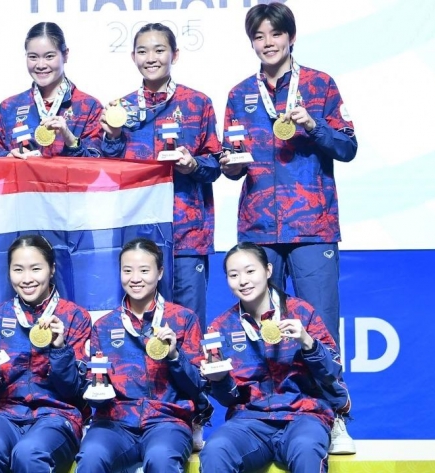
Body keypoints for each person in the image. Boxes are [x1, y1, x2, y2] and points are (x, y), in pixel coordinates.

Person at [219, 3, 358, 351]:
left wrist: (313, 125)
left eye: (276, 34)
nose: (268, 43)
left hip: (312, 226)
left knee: (321, 327)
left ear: (291, 37)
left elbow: (347, 147)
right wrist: (230, 166)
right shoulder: (239, 94)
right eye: (259, 36)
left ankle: (329, 390)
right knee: (262, 329)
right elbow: (232, 160)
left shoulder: (320, 84)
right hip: (259, 229)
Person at [100, 23, 223, 329]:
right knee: (137, 326)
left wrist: (192, 165)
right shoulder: (120, 109)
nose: (151, 58)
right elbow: (108, 172)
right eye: (143, 51)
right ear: (133, 57)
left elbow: (215, 164)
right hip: (138, 234)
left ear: (175, 55)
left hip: (187, 235)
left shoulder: (198, 103)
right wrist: (112, 136)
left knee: (189, 325)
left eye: (159, 50)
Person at [199, 242, 353, 473]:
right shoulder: (221, 327)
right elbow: (229, 400)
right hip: (249, 421)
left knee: (307, 448)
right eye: (234, 275)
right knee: (215, 450)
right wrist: (219, 379)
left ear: (268, 270)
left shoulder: (301, 312)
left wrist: (308, 342)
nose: (243, 281)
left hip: (304, 416)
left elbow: (332, 373)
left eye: (250, 271)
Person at [76, 238, 205, 473]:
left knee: (161, 459)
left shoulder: (184, 320)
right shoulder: (104, 326)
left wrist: (174, 356)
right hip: (114, 423)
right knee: (91, 457)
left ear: (160, 272)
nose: (135, 278)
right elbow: (93, 386)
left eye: (144, 270)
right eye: (127, 271)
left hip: (167, 422)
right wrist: (95, 390)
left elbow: (197, 386)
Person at [0, 235, 91, 473]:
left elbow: (73, 391)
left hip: (57, 415)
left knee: (29, 453)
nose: (26, 279)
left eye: (36, 269)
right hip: (3, 414)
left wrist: (59, 348)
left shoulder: (75, 317)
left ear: (51, 269)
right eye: (18, 270)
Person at [0, 22, 102, 159]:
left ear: (65, 55)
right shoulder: (9, 107)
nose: (41, 65)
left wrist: (71, 140)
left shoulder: (89, 107)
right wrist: (8, 157)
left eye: (49, 56)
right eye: (33, 57)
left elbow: (97, 164)